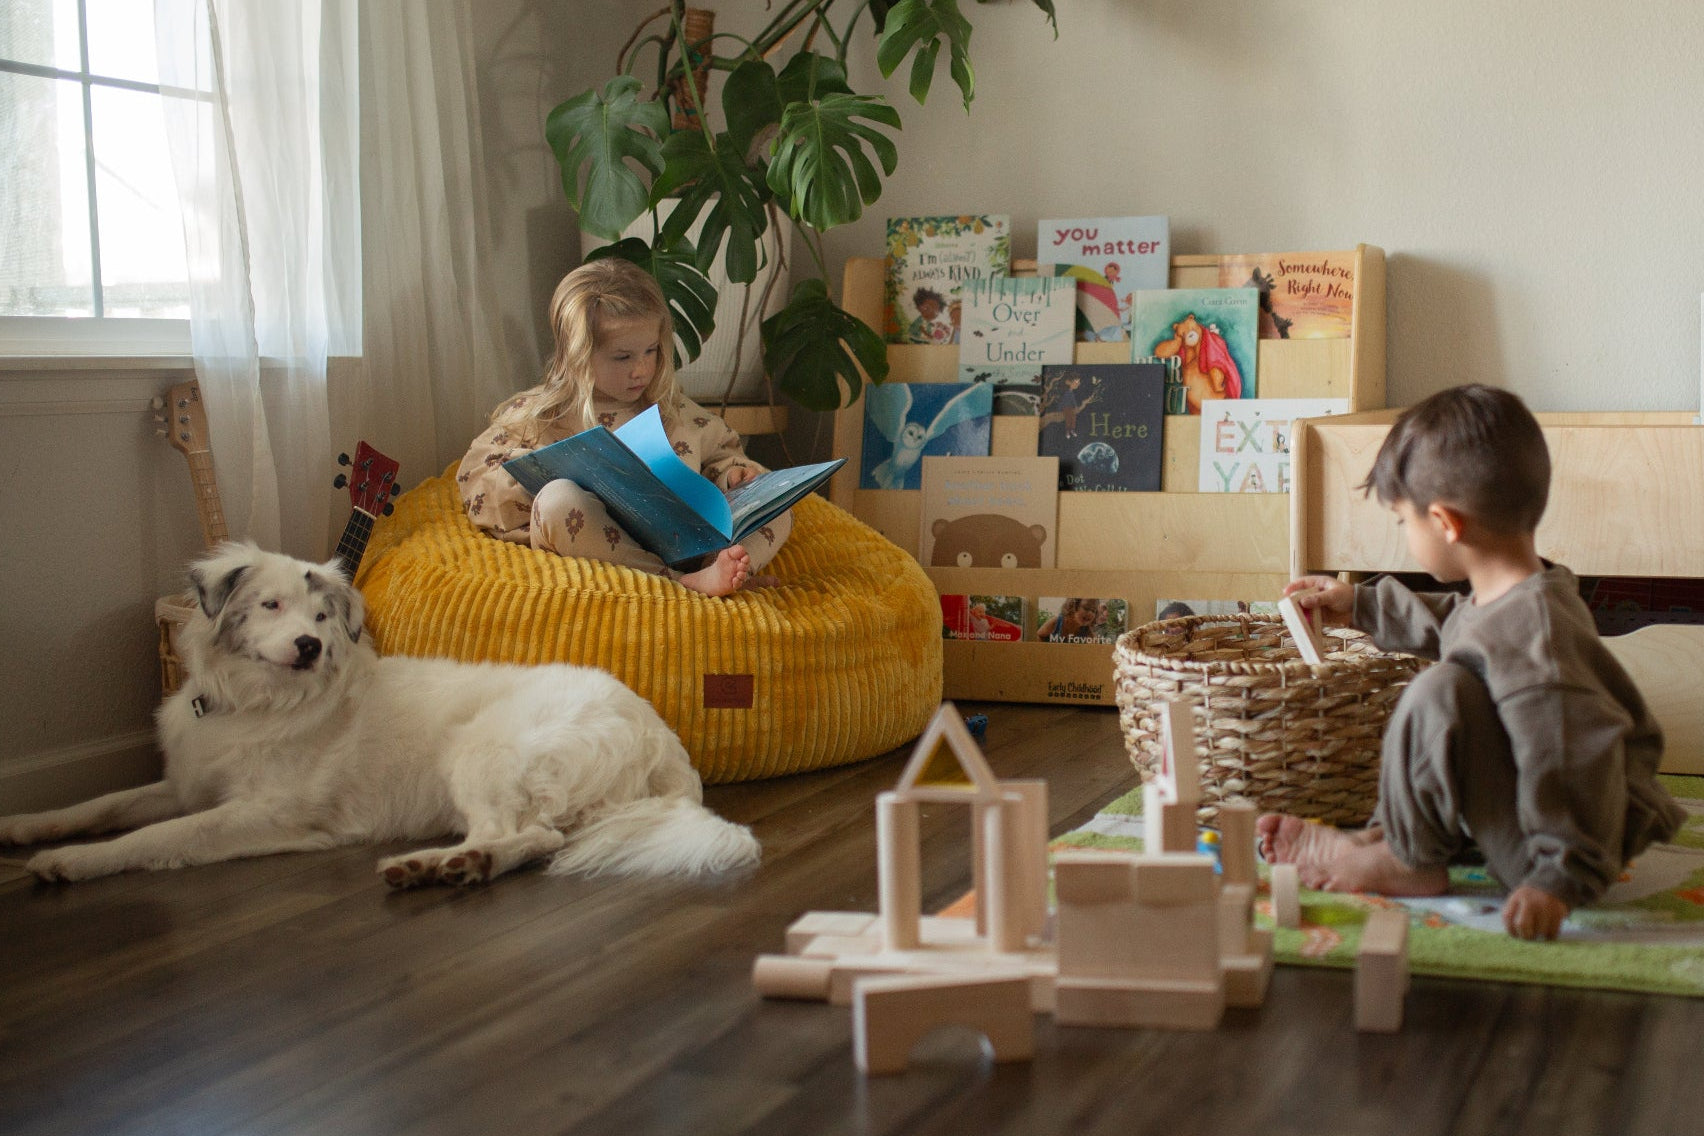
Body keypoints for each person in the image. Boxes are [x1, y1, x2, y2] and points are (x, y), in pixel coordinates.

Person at [1260, 384, 1684, 941]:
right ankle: (1386, 841)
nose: (1405, 536)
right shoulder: (1516, 598)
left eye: (1402, 522)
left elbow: (1577, 762)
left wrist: (1558, 880)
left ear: (1446, 523)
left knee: (1439, 691)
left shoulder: (1538, 643)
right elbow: (1456, 625)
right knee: (1453, 682)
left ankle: (1405, 859)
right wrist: (1359, 604)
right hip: (1529, 813)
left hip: (1557, 846)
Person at [456, 259, 790, 597]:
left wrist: (733, 475)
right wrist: (537, 473)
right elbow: (477, 477)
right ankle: (678, 584)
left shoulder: (672, 409)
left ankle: (718, 569)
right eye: (623, 357)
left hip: (688, 546)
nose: (641, 369)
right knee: (557, 501)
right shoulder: (540, 414)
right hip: (599, 543)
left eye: (651, 350)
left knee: (778, 510)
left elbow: (723, 453)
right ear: (578, 356)